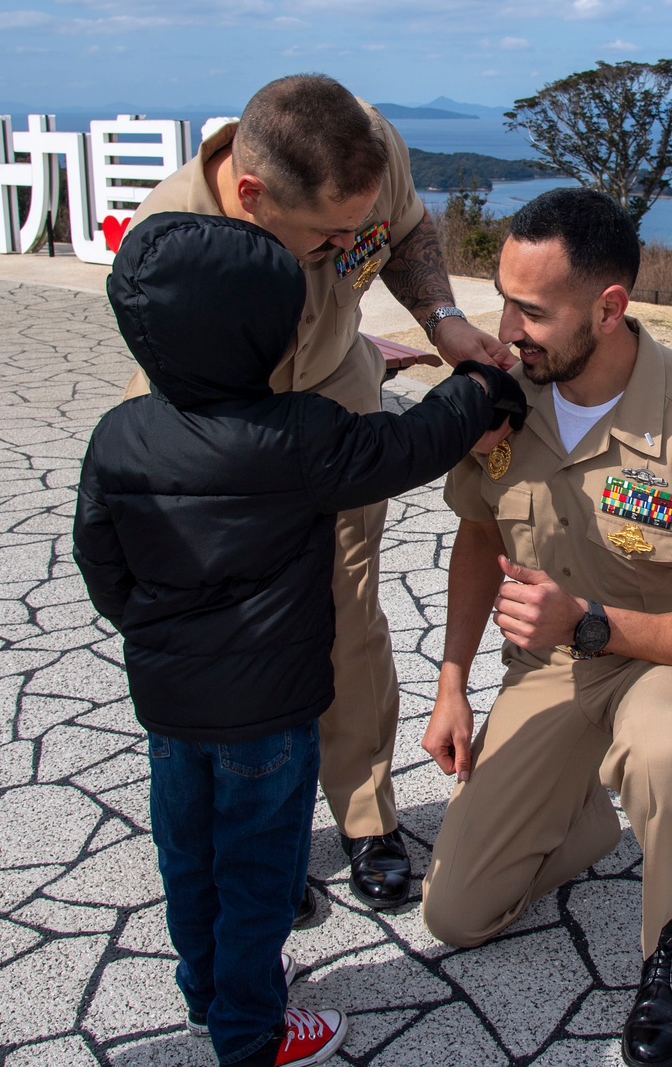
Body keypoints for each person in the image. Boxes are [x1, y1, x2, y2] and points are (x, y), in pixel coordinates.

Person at [74, 213, 524, 1067]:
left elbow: (104, 566)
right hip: (270, 713)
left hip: (169, 706)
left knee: (190, 855)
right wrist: (479, 392)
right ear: (261, 333)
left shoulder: (118, 435)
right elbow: (408, 446)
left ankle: (208, 991)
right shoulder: (297, 438)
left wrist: (158, 637)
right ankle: (250, 1033)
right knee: (258, 869)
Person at [420, 188, 672, 1067]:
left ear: (609, 308)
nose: (506, 328)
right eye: (503, 296)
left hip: (667, 657)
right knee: (458, 916)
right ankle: (590, 813)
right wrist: (452, 680)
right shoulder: (504, 394)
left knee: (663, 750)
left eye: (534, 311)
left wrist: (593, 622)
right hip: (552, 666)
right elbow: (478, 535)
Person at [122, 74, 513, 911]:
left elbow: (403, 232)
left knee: (347, 608)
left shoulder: (366, 150)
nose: (349, 247)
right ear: (253, 196)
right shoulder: (172, 239)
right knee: (245, 639)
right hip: (215, 427)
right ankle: (258, 845)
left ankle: (367, 816)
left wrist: (443, 320)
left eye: (354, 226)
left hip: (333, 390)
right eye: (327, 236)